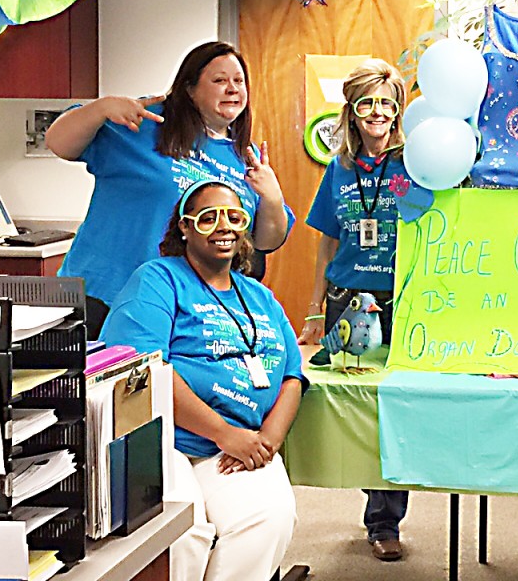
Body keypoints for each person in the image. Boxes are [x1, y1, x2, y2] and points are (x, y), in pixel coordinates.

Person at [100, 179, 307, 581]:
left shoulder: (259, 296)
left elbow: (292, 377)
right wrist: (224, 433)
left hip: (238, 447)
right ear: (184, 227)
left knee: (268, 518)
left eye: (234, 217)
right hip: (162, 441)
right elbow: (145, 369)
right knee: (184, 530)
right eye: (208, 218)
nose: (223, 227)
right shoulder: (158, 280)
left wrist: (265, 443)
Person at [46, 41, 293, 339]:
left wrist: (271, 195)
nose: (233, 89)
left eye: (239, 81)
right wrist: (101, 108)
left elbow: (267, 241)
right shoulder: (146, 126)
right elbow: (58, 142)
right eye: (219, 80)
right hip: (102, 294)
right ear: (189, 89)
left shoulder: (246, 157)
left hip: (182, 307)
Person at [299, 57, 412, 561]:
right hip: (348, 299)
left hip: (402, 301)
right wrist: (314, 305)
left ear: (398, 111)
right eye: (368, 103)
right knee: (359, 407)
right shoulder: (339, 168)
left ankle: (386, 520)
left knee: (395, 407)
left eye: (387, 104)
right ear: (352, 110)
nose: (378, 113)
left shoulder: (415, 162)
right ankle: (374, 510)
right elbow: (327, 240)